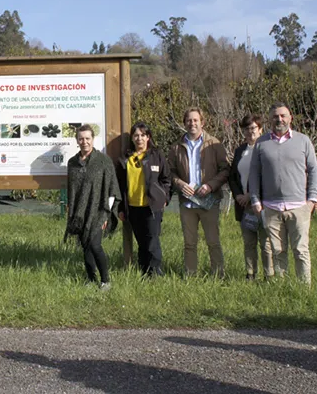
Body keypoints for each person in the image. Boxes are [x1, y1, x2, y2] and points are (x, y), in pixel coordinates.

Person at [249, 102, 317, 285]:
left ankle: (304, 289)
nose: (279, 119)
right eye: (275, 116)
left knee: (301, 250)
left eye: (283, 116)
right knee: (278, 252)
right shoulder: (261, 143)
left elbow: (313, 170)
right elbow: (254, 174)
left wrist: (312, 200)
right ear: (270, 119)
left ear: (290, 118)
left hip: (299, 207)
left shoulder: (303, 141)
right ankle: (282, 289)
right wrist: (255, 201)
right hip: (271, 208)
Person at [168, 107, 230, 277]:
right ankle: (191, 275)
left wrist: (210, 186)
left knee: (213, 241)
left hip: (209, 200)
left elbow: (225, 170)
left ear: (202, 122)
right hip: (187, 203)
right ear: (184, 123)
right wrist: (180, 184)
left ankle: (218, 275)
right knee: (189, 243)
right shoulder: (176, 147)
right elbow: (170, 172)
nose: (192, 123)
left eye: (195, 120)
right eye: (189, 120)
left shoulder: (214, 144)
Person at [65, 124, 121, 290]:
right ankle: (90, 279)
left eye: (87, 138)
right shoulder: (72, 163)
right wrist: (71, 209)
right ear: (77, 140)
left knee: (95, 245)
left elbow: (112, 189)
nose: (84, 142)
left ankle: (105, 281)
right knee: (85, 246)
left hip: (99, 211)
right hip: (80, 212)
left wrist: (106, 214)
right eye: (81, 139)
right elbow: (72, 190)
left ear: (93, 139)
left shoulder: (103, 161)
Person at [115, 121, 172, 277]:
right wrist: (121, 208)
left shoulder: (156, 155)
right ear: (132, 138)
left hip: (152, 206)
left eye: (143, 135)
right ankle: (144, 271)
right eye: (136, 135)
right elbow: (120, 186)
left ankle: (155, 274)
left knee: (152, 241)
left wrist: (165, 198)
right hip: (133, 207)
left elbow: (166, 179)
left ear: (148, 137)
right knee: (141, 242)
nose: (139, 138)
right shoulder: (125, 159)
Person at [228, 114, 273, 281]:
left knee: (266, 243)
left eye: (253, 127)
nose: (250, 131)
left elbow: (268, 176)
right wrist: (238, 195)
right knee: (248, 243)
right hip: (244, 205)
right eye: (246, 128)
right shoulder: (240, 151)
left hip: (263, 203)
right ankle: (250, 274)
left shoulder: (267, 149)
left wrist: (251, 195)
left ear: (260, 129)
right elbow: (232, 177)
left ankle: (269, 276)